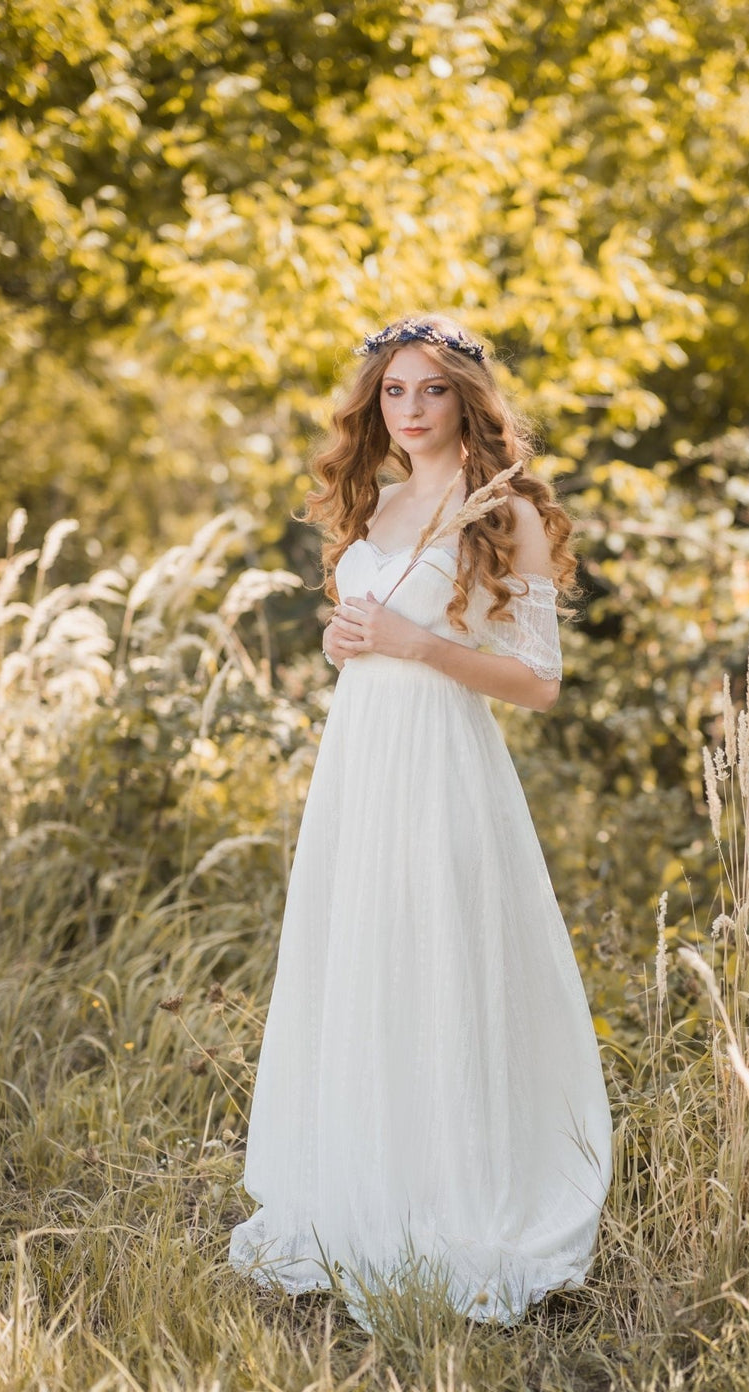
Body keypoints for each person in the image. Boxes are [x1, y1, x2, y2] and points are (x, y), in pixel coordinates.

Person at [228, 312, 613, 1331]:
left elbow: (538, 683)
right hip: (361, 759)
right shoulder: (381, 503)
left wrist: (415, 641)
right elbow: (374, 629)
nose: (410, 410)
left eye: (431, 390)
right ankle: (364, 1180)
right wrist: (348, 636)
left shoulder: (509, 509)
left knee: (439, 955)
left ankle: (459, 1195)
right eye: (394, 392)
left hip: (444, 759)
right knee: (364, 955)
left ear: (466, 400)